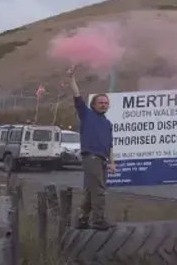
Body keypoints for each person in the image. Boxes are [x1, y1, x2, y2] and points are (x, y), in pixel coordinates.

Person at [67, 66, 115, 230]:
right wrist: (71, 78)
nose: (104, 105)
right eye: (100, 102)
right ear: (93, 105)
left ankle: (82, 219)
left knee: (90, 191)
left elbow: (110, 145)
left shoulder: (108, 124)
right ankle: (98, 220)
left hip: (102, 159)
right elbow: (76, 94)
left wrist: (112, 162)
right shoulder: (86, 114)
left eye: (106, 103)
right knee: (99, 190)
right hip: (91, 157)